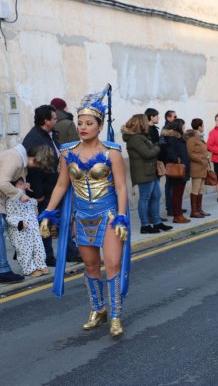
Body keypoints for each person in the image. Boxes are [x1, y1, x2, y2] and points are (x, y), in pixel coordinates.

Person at [38, 87, 131, 337]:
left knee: (112, 264)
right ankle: (98, 309)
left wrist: (122, 217)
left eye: (89, 123)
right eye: (80, 122)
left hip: (109, 216)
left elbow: (121, 187)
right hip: (83, 217)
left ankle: (115, 316)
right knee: (90, 265)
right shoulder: (68, 152)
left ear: (99, 126)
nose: (83, 127)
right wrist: (47, 213)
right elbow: (61, 185)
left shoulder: (112, 152)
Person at [0, 144, 54, 284]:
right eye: (37, 165)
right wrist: (19, 195)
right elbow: (3, 183)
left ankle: (4, 269)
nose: (35, 168)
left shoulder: (20, 161)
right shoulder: (15, 159)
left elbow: (12, 181)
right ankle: (3, 269)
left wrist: (24, 186)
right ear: (36, 159)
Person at [22, 104, 62, 267]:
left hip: (54, 186)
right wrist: (38, 194)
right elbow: (35, 170)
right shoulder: (35, 138)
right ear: (46, 121)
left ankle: (64, 252)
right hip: (44, 190)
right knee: (44, 222)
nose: (56, 120)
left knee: (53, 221)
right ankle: (47, 256)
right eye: (54, 118)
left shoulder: (49, 135)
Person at [122, 114, 172, 234]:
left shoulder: (140, 136)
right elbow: (147, 154)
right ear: (141, 123)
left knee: (156, 195)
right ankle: (145, 225)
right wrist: (158, 146)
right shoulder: (135, 138)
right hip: (143, 172)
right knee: (144, 198)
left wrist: (155, 146)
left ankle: (156, 222)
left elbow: (148, 150)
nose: (147, 125)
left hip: (149, 171)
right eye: (145, 122)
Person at [5, 178, 48, 277]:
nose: (23, 186)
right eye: (20, 184)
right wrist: (20, 223)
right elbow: (10, 217)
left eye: (23, 184)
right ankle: (29, 269)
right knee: (25, 250)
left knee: (39, 247)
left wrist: (28, 188)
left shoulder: (28, 199)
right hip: (21, 232)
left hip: (33, 229)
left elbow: (37, 201)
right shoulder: (11, 200)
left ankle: (40, 264)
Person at [160, 119, 191, 223]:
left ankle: (179, 214)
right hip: (177, 169)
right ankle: (177, 215)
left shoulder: (178, 137)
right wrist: (178, 160)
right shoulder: (171, 138)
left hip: (182, 167)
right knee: (176, 193)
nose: (184, 128)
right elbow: (169, 152)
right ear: (178, 126)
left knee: (179, 193)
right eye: (183, 126)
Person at [185, 118, 211, 218]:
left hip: (203, 167)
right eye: (203, 125)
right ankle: (194, 211)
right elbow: (190, 153)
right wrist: (201, 159)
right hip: (196, 167)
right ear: (199, 127)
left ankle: (199, 209)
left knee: (201, 189)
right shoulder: (192, 138)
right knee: (195, 189)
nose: (203, 127)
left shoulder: (200, 137)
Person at [162, 110, 178, 216]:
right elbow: (167, 148)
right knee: (170, 186)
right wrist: (174, 158)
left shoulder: (173, 130)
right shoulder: (167, 131)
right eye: (174, 117)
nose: (176, 118)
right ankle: (170, 208)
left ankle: (175, 207)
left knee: (175, 185)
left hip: (174, 160)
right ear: (168, 118)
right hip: (170, 161)